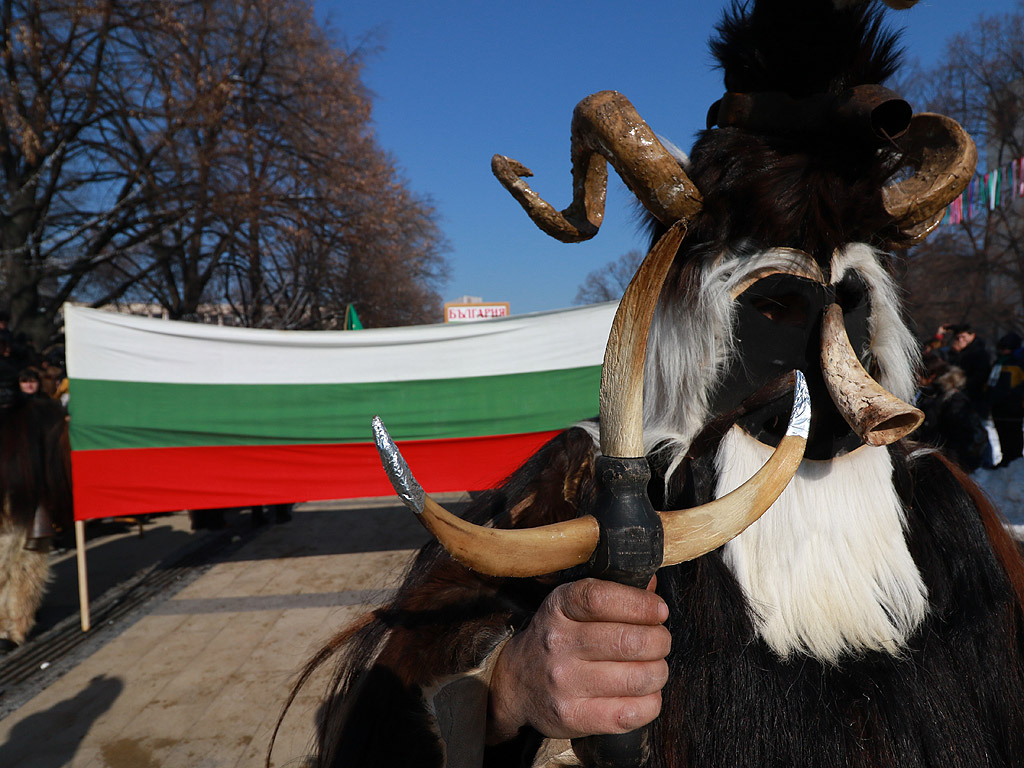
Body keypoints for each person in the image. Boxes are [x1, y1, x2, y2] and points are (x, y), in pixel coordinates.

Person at [283, 3, 1024, 766]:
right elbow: (383, 722)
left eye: (850, 305)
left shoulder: (947, 516)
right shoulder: (582, 500)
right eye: (777, 306)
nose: (838, 380)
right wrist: (506, 695)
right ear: (696, 329)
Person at [988, 332, 1024, 467]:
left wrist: (1014, 395)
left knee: (1013, 433)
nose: (1003, 350)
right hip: (998, 404)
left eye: (1005, 347)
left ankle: (1015, 459)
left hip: (1014, 406)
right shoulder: (999, 362)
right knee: (1001, 431)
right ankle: (1005, 457)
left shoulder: (1020, 362)